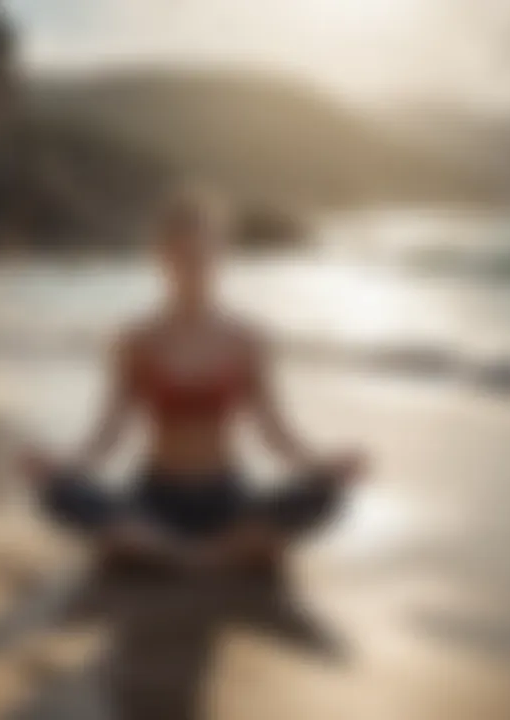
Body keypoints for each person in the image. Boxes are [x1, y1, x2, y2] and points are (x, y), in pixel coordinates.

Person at [23, 188, 366, 573]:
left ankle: (174, 550)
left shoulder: (247, 340)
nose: (193, 267)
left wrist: (323, 463)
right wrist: (61, 465)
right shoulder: (134, 340)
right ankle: (206, 550)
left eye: (203, 256)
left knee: (327, 493)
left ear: (220, 256)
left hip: (227, 495)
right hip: (155, 495)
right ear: (162, 257)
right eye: (182, 256)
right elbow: (107, 434)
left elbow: (276, 432)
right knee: (55, 492)